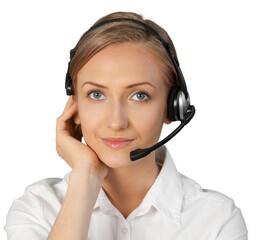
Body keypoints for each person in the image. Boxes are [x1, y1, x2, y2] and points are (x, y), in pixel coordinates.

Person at [4, 11, 248, 240]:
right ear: (74, 105)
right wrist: (85, 176)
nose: (116, 122)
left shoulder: (217, 220)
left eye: (140, 95)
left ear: (173, 106)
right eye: (97, 95)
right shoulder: (37, 210)